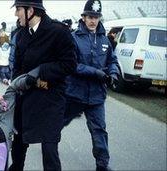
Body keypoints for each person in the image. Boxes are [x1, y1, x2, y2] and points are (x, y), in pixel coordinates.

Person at [9, 0, 77, 170]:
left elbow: (69, 64)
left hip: (50, 100)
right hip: (25, 98)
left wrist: (41, 71)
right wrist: (19, 82)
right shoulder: (21, 34)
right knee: (18, 146)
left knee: (49, 149)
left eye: (18, 9)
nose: (16, 14)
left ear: (30, 10)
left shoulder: (59, 32)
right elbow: (17, 66)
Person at [63, 0, 119, 171]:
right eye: (90, 16)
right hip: (74, 95)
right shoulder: (73, 38)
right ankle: (44, 140)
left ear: (99, 18)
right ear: (83, 17)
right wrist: (96, 73)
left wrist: (114, 73)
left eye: (96, 17)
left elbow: (112, 60)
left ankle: (102, 165)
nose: (93, 20)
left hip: (96, 97)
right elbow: (72, 65)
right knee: (57, 123)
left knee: (99, 131)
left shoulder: (104, 39)